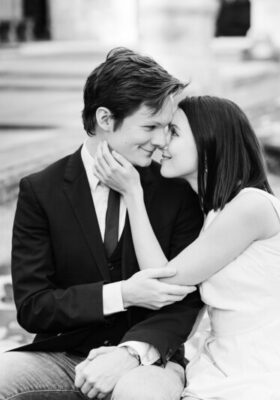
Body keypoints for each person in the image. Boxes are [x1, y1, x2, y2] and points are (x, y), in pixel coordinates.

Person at [94, 95, 280, 399]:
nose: (162, 142)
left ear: (208, 142)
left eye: (173, 132)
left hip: (269, 358)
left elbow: (164, 278)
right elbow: (165, 282)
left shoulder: (250, 206)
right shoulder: (214, 213)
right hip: (225, 354)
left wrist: (133, 195)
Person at [0, 48, 204, 400]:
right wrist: (123, 294)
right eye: (150, 126)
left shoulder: (176, 188)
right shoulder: (41, 190)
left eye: (166, 128)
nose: (160, 141)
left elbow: (188, 301)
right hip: (63, 355)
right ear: (106, 119)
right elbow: (34, 307)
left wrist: (132, 354)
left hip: (149, 361)